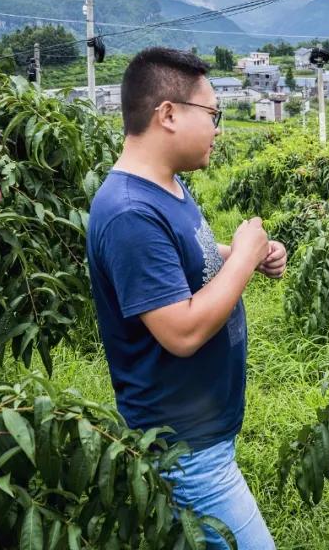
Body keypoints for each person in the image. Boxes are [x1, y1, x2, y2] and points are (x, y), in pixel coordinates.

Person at [86, 47, 284, 549]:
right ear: (168, 114)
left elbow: (185, 257)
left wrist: (242, 253)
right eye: (213, 114)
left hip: (203, 430)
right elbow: (182, 332)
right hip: (185, 447)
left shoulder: (165, 185)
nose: (219, 127)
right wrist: (241, 256)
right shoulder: (130, 211)